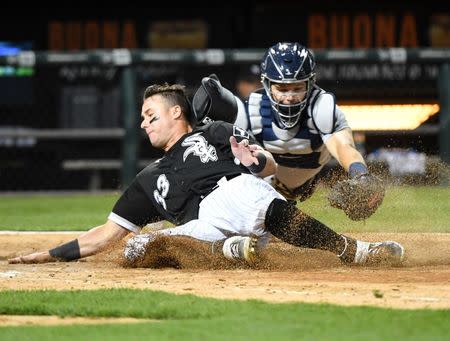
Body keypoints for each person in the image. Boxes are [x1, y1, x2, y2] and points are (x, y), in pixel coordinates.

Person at [8, 79, 404, 266]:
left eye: (150, 115)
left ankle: (356, 252)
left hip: (237, 195)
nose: (143, 124)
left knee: (248, 194)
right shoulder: (147, 181)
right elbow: (103, 237)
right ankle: (231, 251)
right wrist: (44, 255)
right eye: (141, 119)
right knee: (136, 248)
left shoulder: (212, 132)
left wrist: (255, 159)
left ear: (176, 112)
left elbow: (267, 167)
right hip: (206, 230)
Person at [234, 42, 383, 213]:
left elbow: (343, 147)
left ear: (310, 84)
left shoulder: (322, 108)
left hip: (304, 179)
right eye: (282, 88)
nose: (289, 97)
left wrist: (361, 175)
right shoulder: (249, 111)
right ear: (268, 85)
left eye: (297, 88)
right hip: (260, 184)